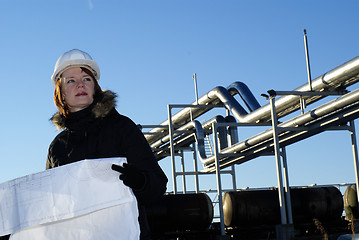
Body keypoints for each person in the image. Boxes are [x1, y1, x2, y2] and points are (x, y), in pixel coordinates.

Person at [47, 49, 168, 239]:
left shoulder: (122, 128)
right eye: (71, 80)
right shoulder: (57, 147)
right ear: (60, 92)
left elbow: (158, 185)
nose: (80, 84)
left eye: (86, 79)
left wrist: (141, 182)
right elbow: (52, 204)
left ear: (95, 87)